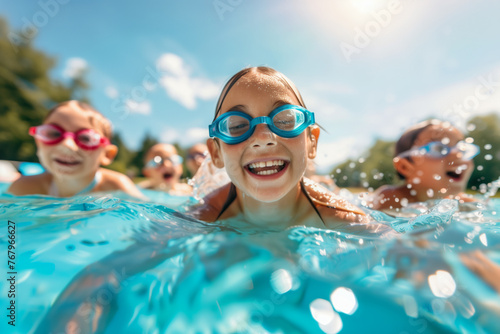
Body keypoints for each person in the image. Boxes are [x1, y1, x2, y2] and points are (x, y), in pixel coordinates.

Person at [186, 66, 386, 232]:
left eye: (285, 120)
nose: (263, 138)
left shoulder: (348, 220)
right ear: (216, 153)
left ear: (312, 143)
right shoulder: (203, 217)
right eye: (237, 126)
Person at [7, 100, 143, 198]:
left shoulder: (118, 187)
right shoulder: (24, 188)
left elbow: (153, 226)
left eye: (86, 138)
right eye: (53, 134)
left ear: (107, 154)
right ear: (38, 142)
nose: (67, 144)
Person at [371, 119, 479, 210]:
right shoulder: (392, 198)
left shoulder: (462, 202)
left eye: (463, 149)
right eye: (438, 148)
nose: (458, 155)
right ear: (405, 167)